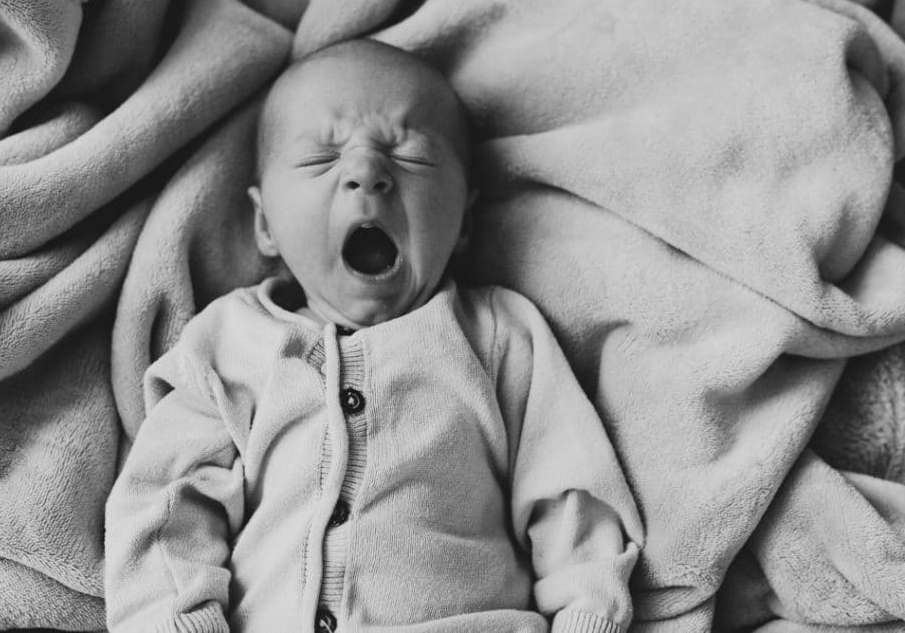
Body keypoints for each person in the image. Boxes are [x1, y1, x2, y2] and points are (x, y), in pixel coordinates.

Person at [104, 39, 644, 633]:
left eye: (409, 156)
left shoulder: (499, 337)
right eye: (320, 160)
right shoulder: (228, 343)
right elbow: (164, 504)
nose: (367, 173)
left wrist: (587, 616)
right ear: (265, 225)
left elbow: (574, 498)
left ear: (464, 219)